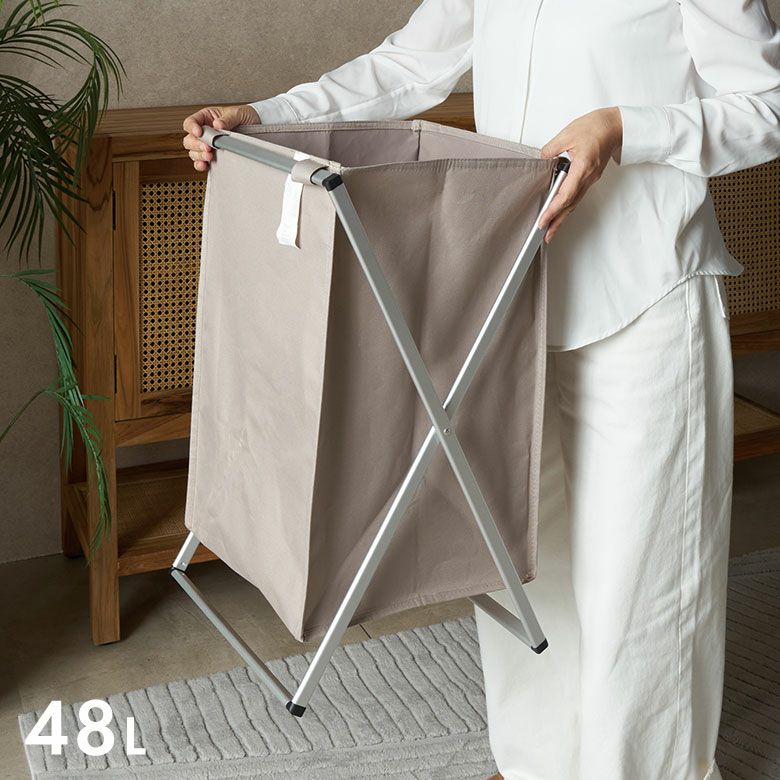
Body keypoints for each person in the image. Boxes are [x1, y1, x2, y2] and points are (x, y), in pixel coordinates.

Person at [182, 2, 780, 777]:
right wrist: (268, 116)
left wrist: (622, 130)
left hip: (644, 299)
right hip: (508, 303)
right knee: (520, 557)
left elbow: (767, 106)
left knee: (644, 583)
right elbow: (408, 64)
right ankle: (535, 765)